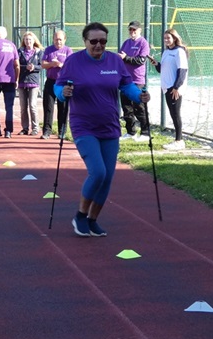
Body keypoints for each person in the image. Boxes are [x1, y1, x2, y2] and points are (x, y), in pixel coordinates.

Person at [55, 22, 151, 237]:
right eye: (94, 41)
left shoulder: (115, 61)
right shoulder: (73, 61)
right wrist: (63, 93)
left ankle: (93, 220)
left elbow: (127, 85)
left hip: (109, 126)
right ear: (85, 41)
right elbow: (58, 86)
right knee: (98, 172)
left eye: (103, 41)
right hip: (84, 125)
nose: (99, 45)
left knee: (107, 178)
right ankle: (80, 216)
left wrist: (139, 96)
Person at [149, 28, 189, 151]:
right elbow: (162, 70)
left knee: (176, 114)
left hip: (174, 88)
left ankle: (179, 141)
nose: (166, 40)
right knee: (173, 113)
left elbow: (182, 70)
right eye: (165, 38)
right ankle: (178, 140)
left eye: (168, 37)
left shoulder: (179, 52)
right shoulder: (166, 52)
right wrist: (156, 64)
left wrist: (176, 87)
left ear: (174, 38)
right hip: (166, 88)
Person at [118, 20, 151, 141]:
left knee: (140, 107)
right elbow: (120, 58)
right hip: (125, 80)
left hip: (138, 81)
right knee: (127, 108)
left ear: (139, 30)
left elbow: (141, 60)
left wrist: (126, 58)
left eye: (134, 29)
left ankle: (145, 133)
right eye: (130, 29)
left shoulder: (143, 43)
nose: (132, 31)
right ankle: (131, 132)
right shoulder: (126, 43)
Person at [41, 29, 73, 139]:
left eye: (60, 39)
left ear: (64, 40)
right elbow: (43, 64)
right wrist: (52, 64)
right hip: (50, 81)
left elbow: (71, 66)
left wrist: (60, 64)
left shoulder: (68, 51)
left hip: (63, 83)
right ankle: (46, 131)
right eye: (56, 39)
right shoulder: (48, 50)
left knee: (63, 107)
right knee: (48, 106)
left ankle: (62, 131)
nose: (58, 42)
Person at [17, 31, 43, 135]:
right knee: (23, 107)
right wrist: (25, 67)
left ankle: (35, 128)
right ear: (24, 41)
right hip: (22, 81)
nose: (28, 41)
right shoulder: (19, 51)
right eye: (26, 39)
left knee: (32, 105)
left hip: (33, 82)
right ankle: (25, 128)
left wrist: (34, 67)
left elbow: (42, 65)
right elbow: (16, 65)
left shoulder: (39, 52)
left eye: (30, 39)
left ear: (34, 40)